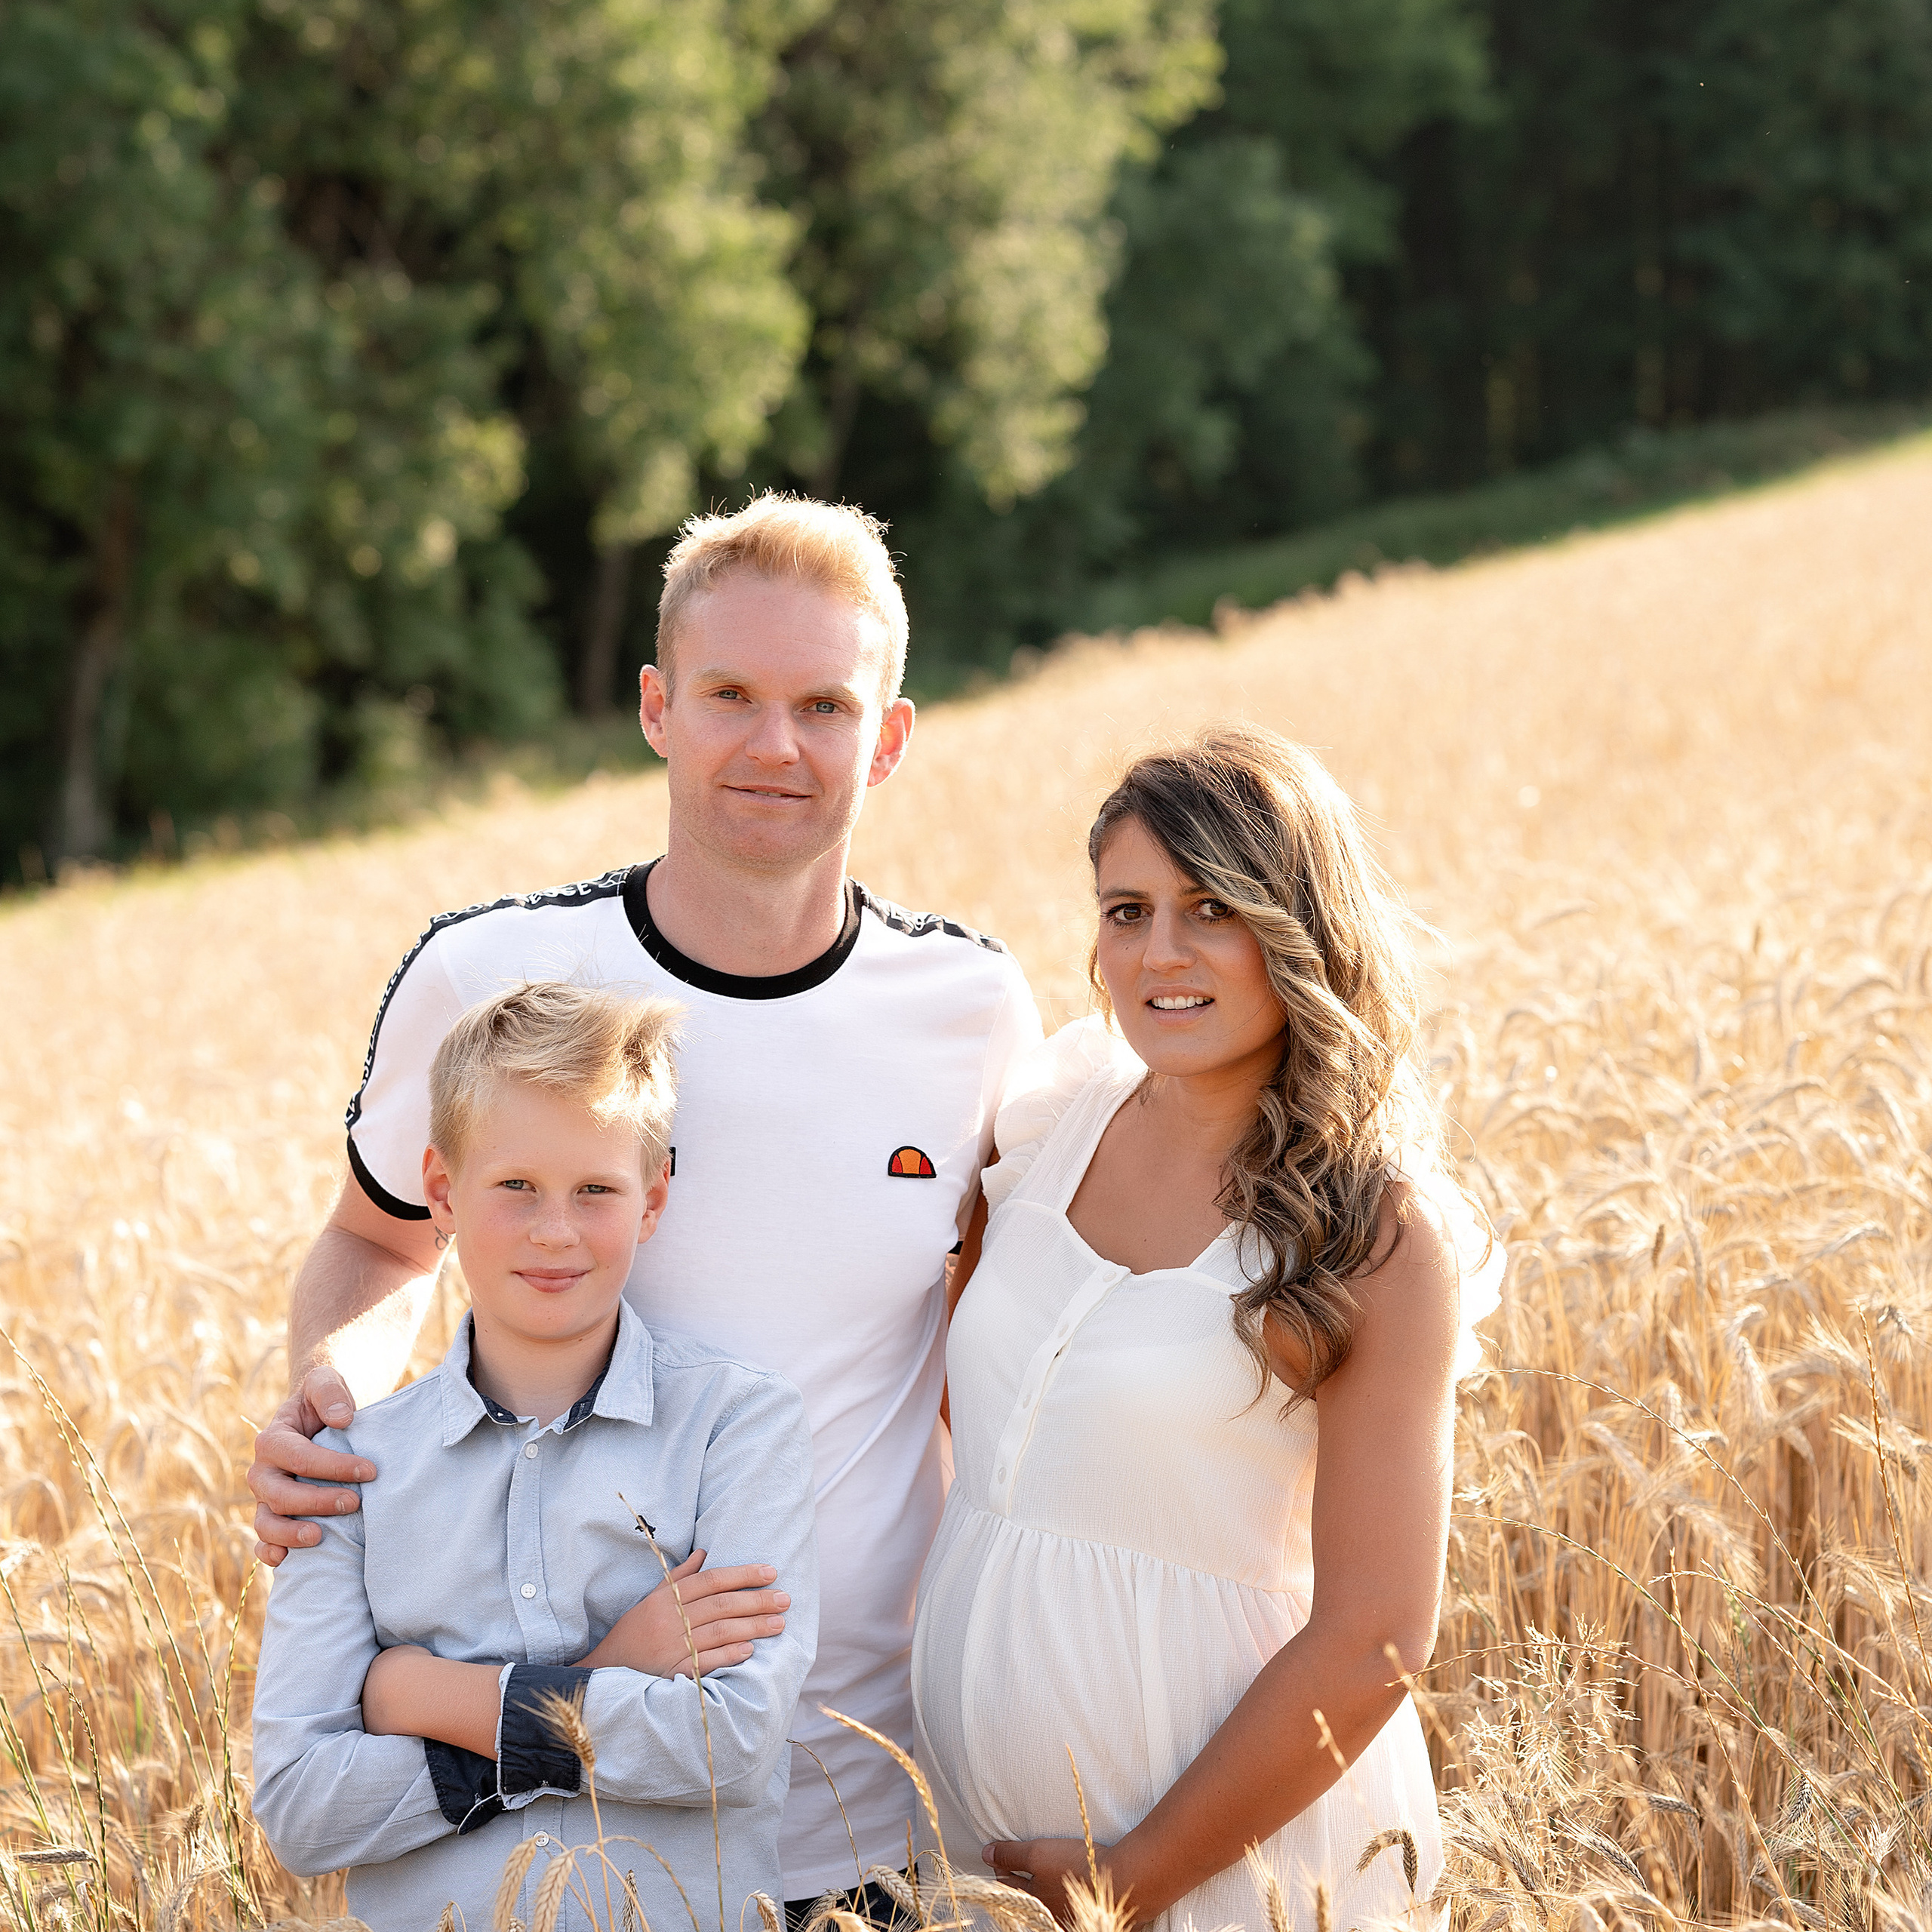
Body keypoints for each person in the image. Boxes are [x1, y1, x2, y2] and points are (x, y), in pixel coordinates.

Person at [247, 494, 1043, 1917]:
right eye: (730, 695)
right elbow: (381, 1239)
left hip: (866, 1806)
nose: (775, 745)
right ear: (656, 707)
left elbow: (994, 1346)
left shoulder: (971, 1010)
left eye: (824, 706)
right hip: (531, 1831)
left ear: (890, 738)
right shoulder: (485, 974)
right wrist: (334, 1399)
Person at [911, 726, 1505, 1932]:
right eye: (1126, 912)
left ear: (1300, 931)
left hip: (1231, 1865)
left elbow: (1377, 1635)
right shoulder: (1053, 1120)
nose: (1160, 954)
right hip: (978, 1852)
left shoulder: (1373, 1235)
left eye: (1212, 910)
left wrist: (1133, 1877)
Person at [251, 983, 820, 1932]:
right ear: (441, 1192)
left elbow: (731, 1743)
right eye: (515, 1186)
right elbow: (303, 1809)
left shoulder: (736, 1425)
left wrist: (428, 1697)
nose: (556, 1229)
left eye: (596, 1189)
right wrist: (604, 1666)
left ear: (652, 1199)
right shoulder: (353, 1468)